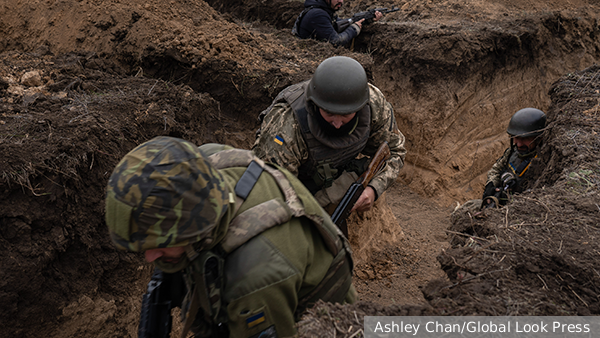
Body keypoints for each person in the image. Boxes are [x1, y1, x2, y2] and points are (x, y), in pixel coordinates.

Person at [104, 136, 355, 338]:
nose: (149, 257)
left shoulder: (253, 279)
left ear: (197, 228)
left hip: (322, 316)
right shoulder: (201, 166)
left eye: (160, 245)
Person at [253, 56, 406, 213]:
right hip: (295, 189)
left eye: (346, 115)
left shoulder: (373, 103)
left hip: (335, 175)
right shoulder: (286, 127)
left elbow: (395, 151)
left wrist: (374, 189)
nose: (338, 123)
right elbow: (271, 195)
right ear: (315, 103)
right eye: (329, 113)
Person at [456, 108, 547, 213]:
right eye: (516, 138)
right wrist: (491, 185)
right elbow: (496, 169)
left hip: (516, 211)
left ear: (538, 138)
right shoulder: (512, 152)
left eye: (525, 139)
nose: (519, 144)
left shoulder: (541, 163)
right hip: (499, 201)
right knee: (465, 210)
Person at [291, 0, 382, 47]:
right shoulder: (317, 14)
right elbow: (335, 42)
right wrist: (354, 29)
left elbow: (339, 24)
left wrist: (367, 19)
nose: (340, 1)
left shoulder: (325, 10)